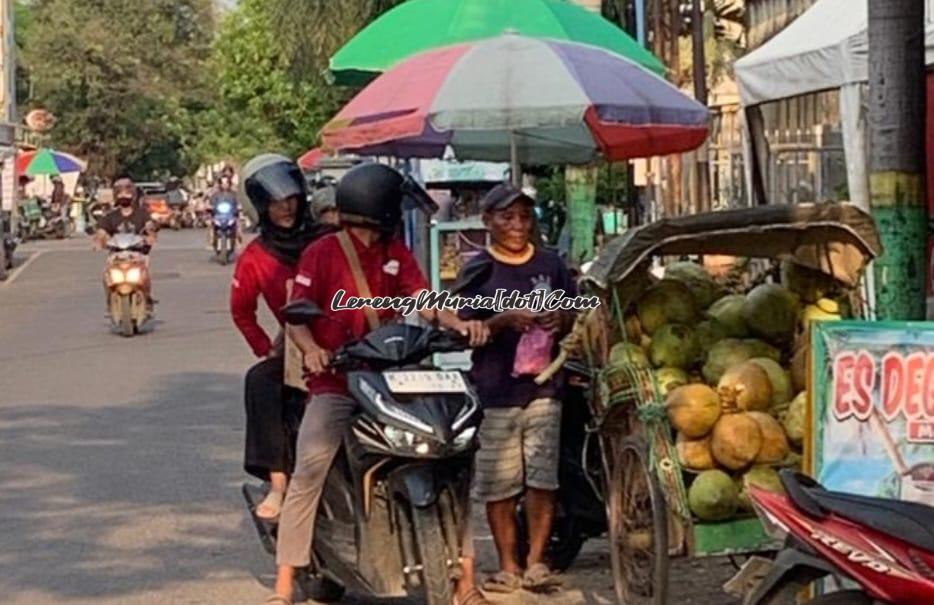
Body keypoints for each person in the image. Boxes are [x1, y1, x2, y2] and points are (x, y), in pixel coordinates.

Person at [266, 163, 491, 605]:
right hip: (336, 383)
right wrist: (312, 349)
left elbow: (424, 301)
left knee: (452, 460)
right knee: (310, 468)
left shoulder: (395, 251)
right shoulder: (323, 253)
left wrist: (461, 323)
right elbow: (297, 317)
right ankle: (284, 585)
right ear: (382, 208)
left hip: (390, 378)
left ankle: (467, 582)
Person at [455, 183, 576, 594]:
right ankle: (508, 565)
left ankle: (536, 562)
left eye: (524, 217)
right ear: (488, 222)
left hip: (544, 387)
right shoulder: (478, 269)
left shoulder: (551, 264)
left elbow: (575, 314)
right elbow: (464, 330)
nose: (517, 225)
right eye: (507, 217)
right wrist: (502, 320)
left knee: (543, 478)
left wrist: (561, 321)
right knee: (500, 482)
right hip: (496, 390)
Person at [230, 154, 337, 520]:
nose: (286, 208)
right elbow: (241, 311)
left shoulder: (329, 240)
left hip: (346, 336)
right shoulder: (255, 257)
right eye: (275, 202)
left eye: (291, 198)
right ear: (261, 206)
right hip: (295, 346)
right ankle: (278, 483)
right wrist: (267, 349)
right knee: (261, 382)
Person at [93, 177, 158, 309]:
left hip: (138, 253)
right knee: (107, 274)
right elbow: (101, 231)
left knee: (144, 272)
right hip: (116, 254)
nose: (124, 196)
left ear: (133, 196)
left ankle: (147, 297)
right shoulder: (110, 217)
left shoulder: (142, 214)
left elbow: (150, 226)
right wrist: (99, 241)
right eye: (120, 194)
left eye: (127, 193)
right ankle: (110, 300)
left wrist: (151, 235)